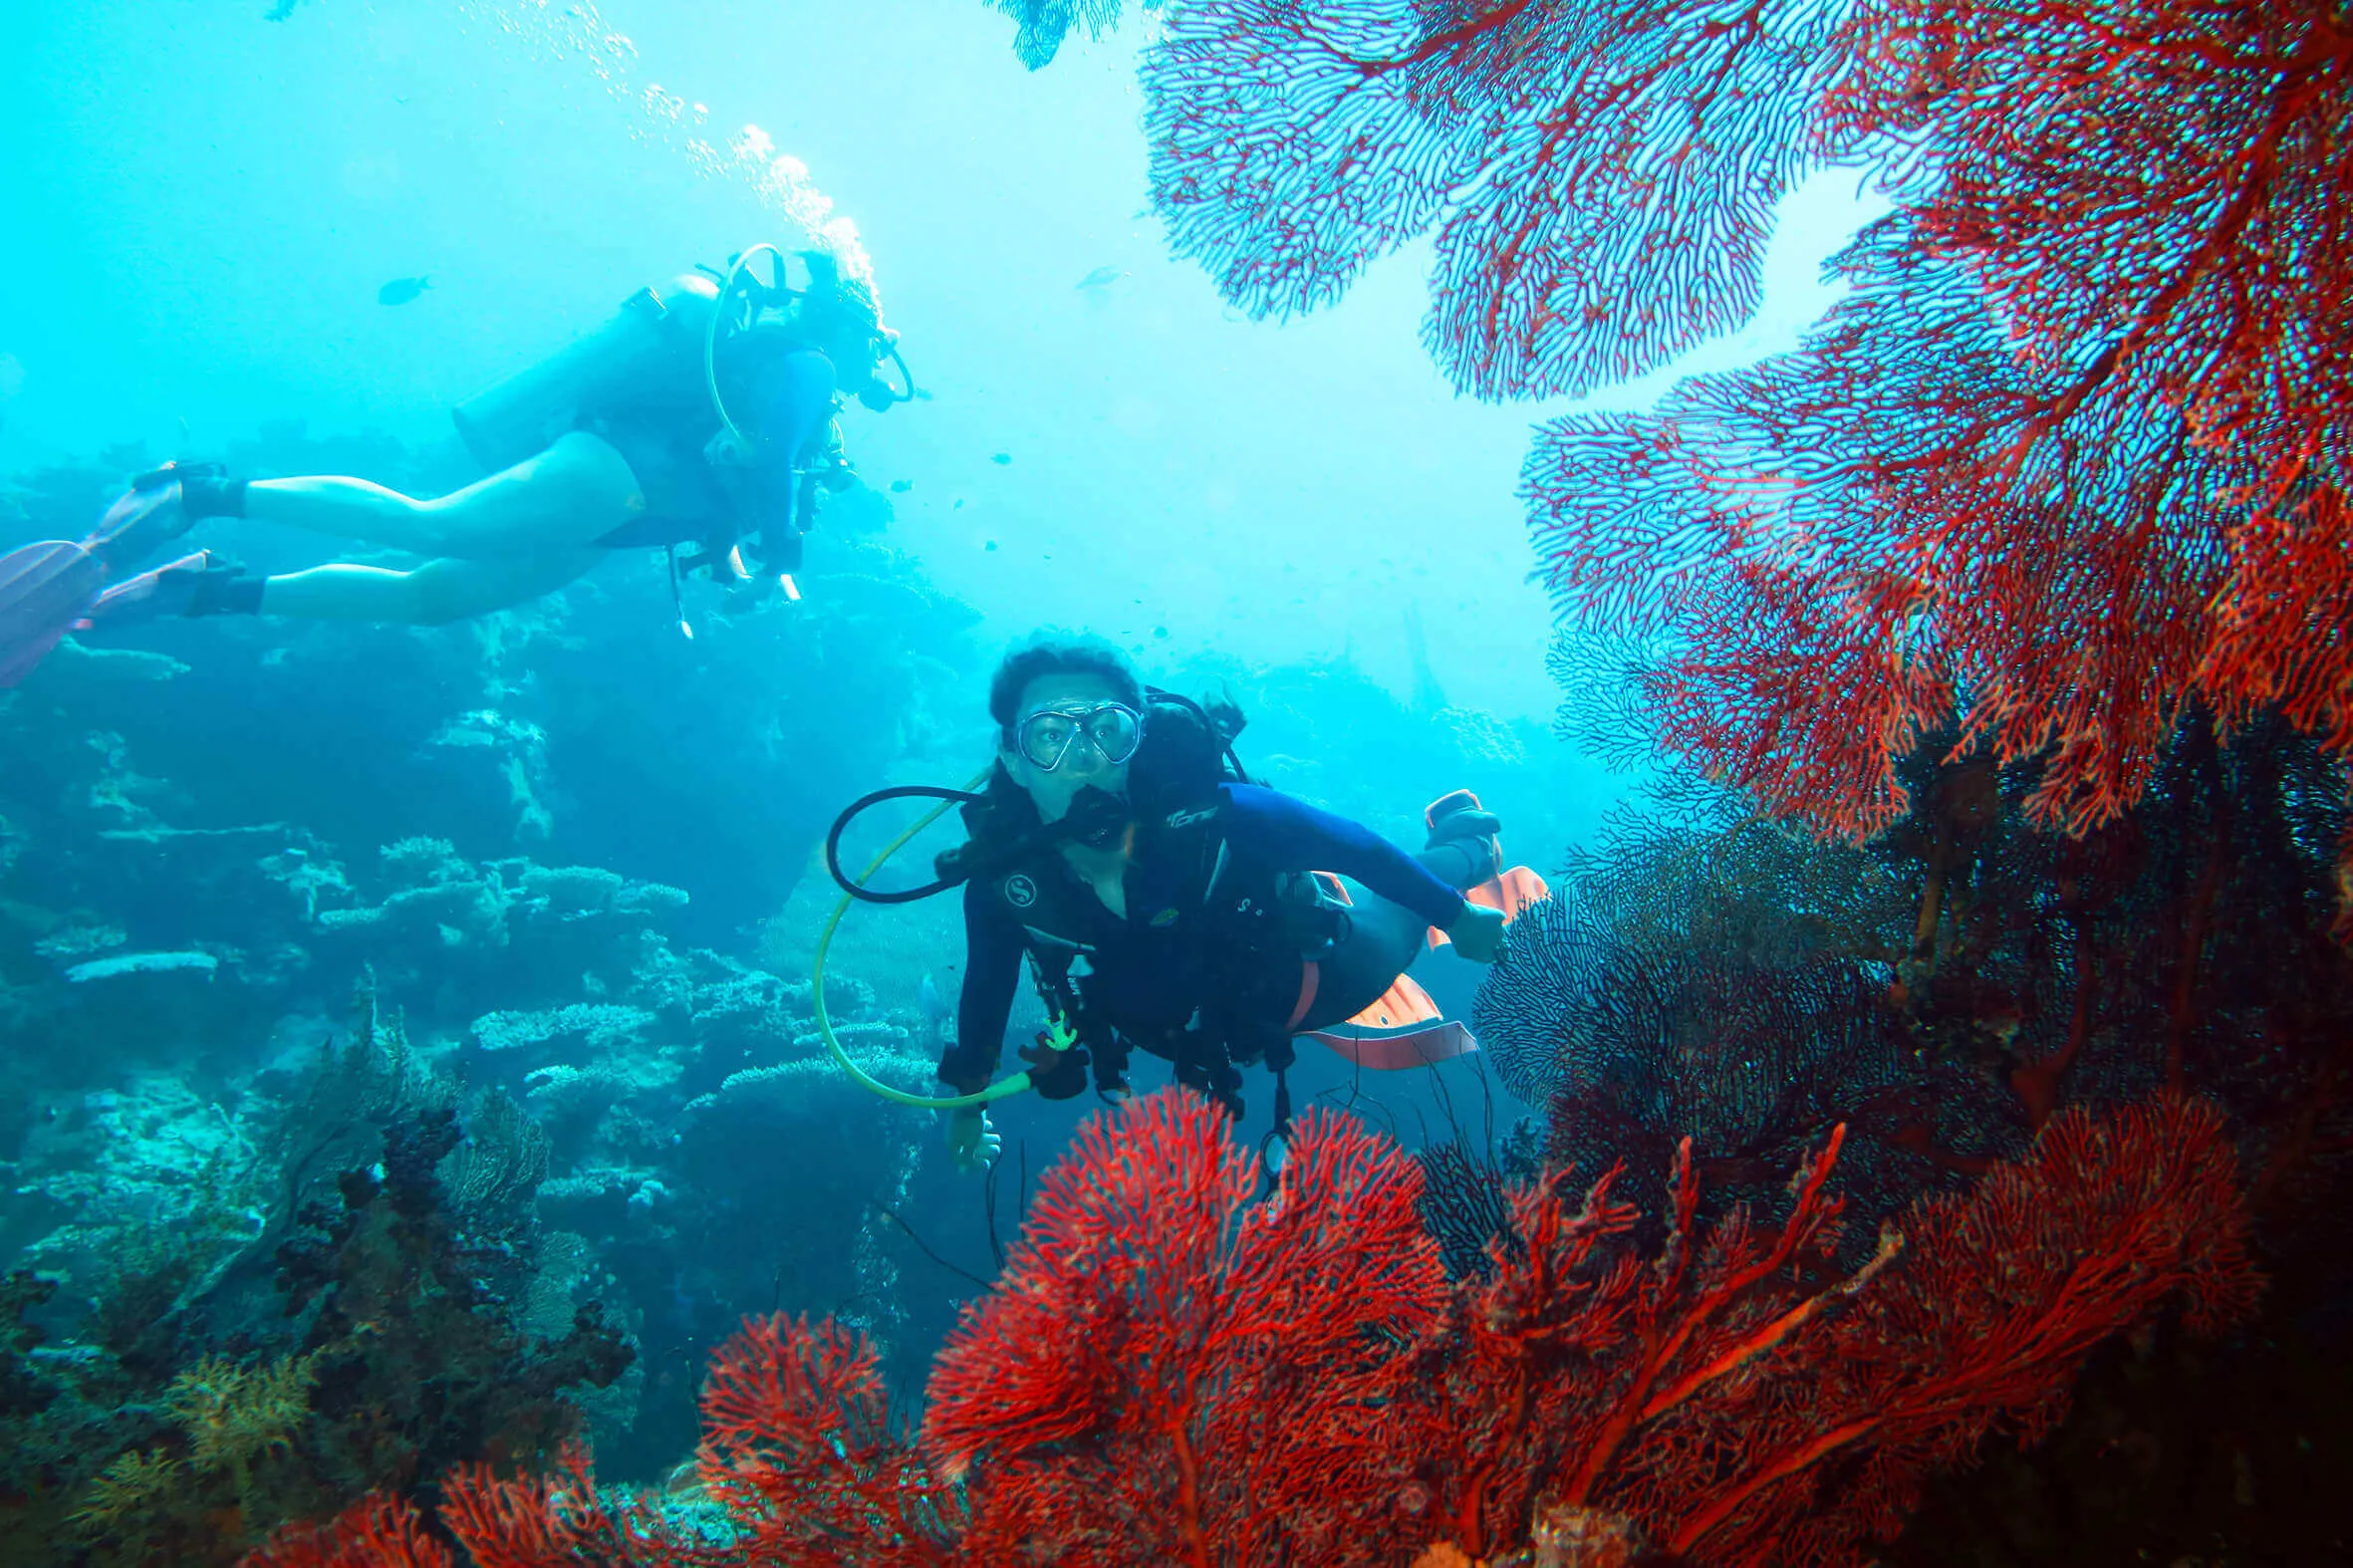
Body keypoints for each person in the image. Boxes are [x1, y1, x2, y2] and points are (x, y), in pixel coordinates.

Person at [0, 244, 905, 683]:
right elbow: (777, 461)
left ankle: (212, 588)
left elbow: (741, 479)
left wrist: (743, 558)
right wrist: (783, 552)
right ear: (851, 334)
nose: (870, 374)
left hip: (621, 517)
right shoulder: (809, 366)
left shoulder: (784, 373)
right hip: (612, 474)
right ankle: (199, 491)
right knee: (432, 524)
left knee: (429, 594)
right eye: (874, 352)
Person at [935, 636, 1537, 1172]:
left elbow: (1356, 846)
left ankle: (1467, 843)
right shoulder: (1004, 884)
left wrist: (1458, 918)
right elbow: (985, 994)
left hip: (1314, 981)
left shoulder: (1214, 817)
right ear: (1012, 757)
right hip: (1169, 1030)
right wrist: (968, 1102)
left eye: (1106, 729)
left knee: (1399, 916)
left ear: (1137, 740)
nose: (1084, 757)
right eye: (1050, 735)